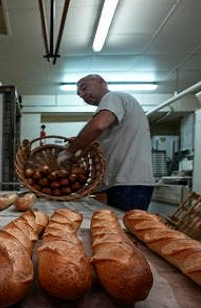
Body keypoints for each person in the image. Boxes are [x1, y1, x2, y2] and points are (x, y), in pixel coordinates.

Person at [57, 74, 155, 211]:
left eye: (84, 88)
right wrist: (77, 144)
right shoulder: (112, 110)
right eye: (80, 95)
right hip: (122, 184)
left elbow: (97, 126)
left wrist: (69, 151)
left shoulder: (114, 97)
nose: (83, 95)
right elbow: (96, 141)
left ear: (102, 82)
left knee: (123, 229)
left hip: (129, 183)